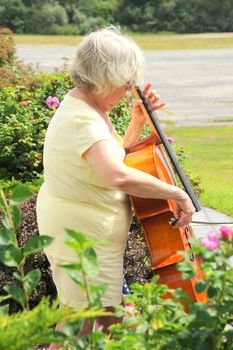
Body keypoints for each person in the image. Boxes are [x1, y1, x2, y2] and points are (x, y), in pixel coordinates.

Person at [36, 26, 195, 349]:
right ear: (106, 77)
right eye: (125, 84)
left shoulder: (88, 108)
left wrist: (136, 122)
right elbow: (118, 176)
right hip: (81, 236)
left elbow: (112, 155)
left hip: (92, 235)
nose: (127, 91)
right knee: (77, 324)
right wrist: (177, 193)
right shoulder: (84, 120)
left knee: (111, 319)